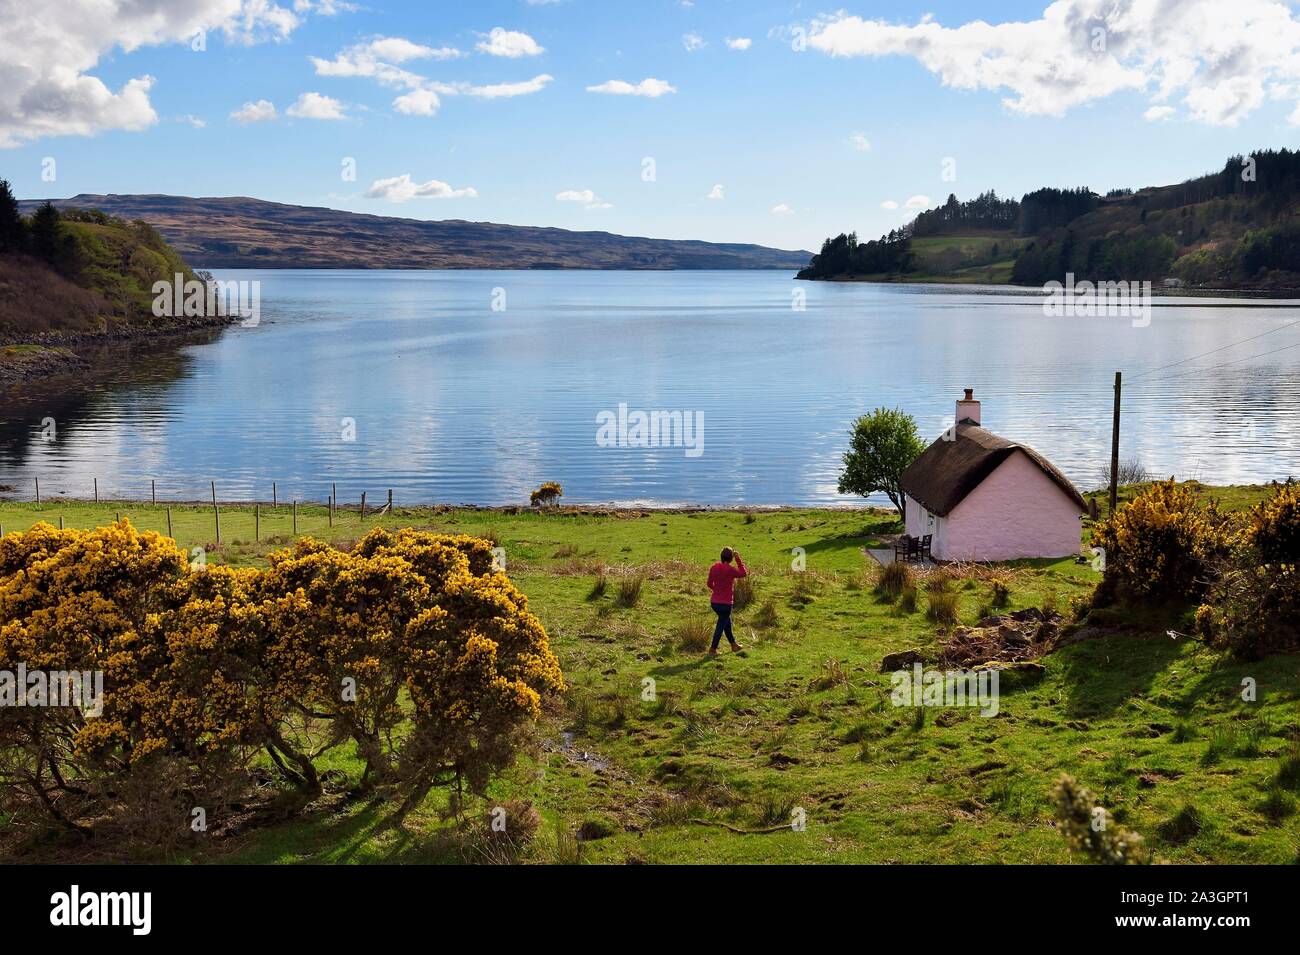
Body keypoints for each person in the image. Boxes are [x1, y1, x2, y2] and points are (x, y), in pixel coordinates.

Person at [706, 546, 747, 654]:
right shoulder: (730, 570)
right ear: (731, 559)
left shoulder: (714, 567)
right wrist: (738, 558)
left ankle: (733, 645)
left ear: (721, 557)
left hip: (714, 602)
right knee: (721, 625)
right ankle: (713, 649)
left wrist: (717, 591)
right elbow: (743, 573)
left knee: (726, 622)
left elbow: (709, 584)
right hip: (726, 603)